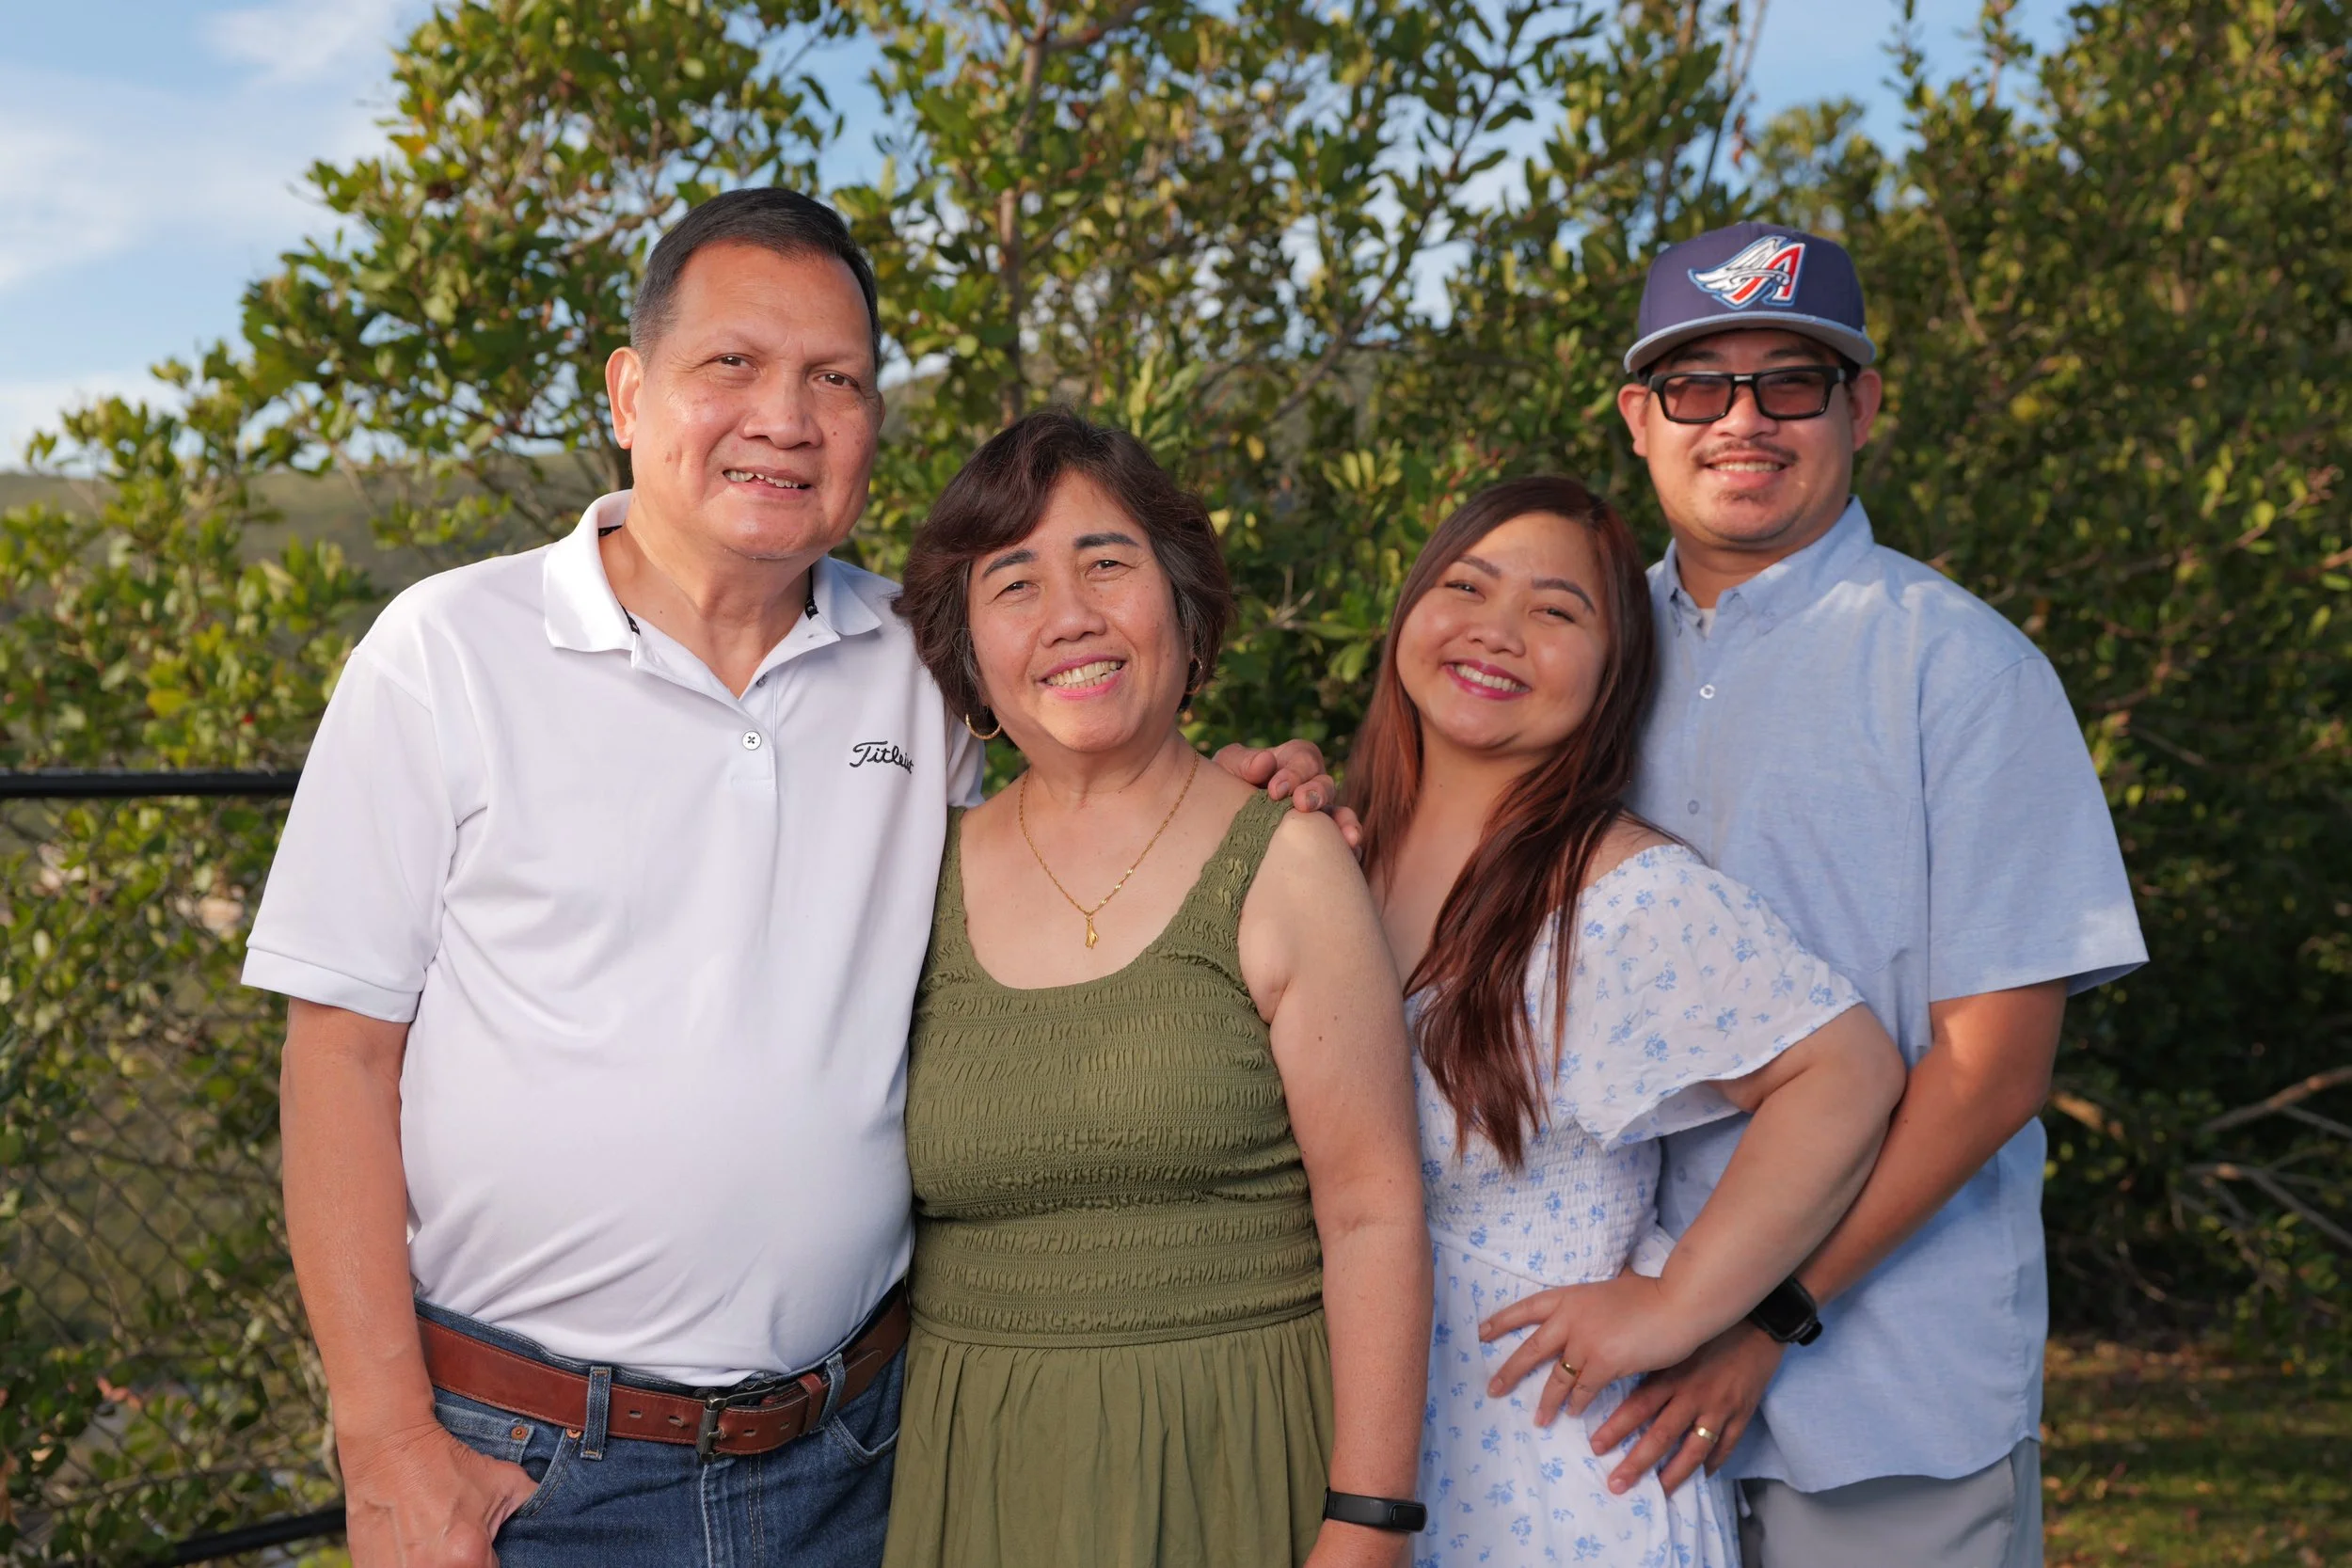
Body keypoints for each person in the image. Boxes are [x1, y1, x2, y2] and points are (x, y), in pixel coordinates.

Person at [244, 189, 1342, 1568]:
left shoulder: (923, 655)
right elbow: (338, 1054)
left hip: (872, 1450)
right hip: (536, 1470)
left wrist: (1242, 798)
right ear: (630, 392)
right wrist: (386, 1441)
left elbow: (1084, 817)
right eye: (733, 366)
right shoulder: (447, 651)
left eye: (836, 379)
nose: (786, 415)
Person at [1581, 223, 2149, 1567]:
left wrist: (1764, 1319)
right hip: (1622, 1399)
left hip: (1887, 1384)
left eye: (1791, 381)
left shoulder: (1963, 670)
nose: (1743, 420)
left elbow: (1993, 1069)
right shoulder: (1585, 654)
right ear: (1638, 418)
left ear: (1863, 406)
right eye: (1697, 385)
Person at [879, 407, 1431, 1568]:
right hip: (979, 1469)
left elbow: (1374, 1212)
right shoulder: (910, 871)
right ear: (968, 652)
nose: (1070, 614)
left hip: (1233, 1456)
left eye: (1107, 563)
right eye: (1014, 582)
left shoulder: (1288, 860)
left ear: (1183, 607)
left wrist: (1369, 1519)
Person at [1340, 475, 1905, 1565]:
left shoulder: (1621, 893)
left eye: (1557, 611)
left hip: (1537, 1466)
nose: (1496, 632)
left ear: (1611, 675)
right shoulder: (1331, 856)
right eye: (1467, 585)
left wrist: (1676, 1303)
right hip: (1356, 1444)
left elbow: (1844, 1071)